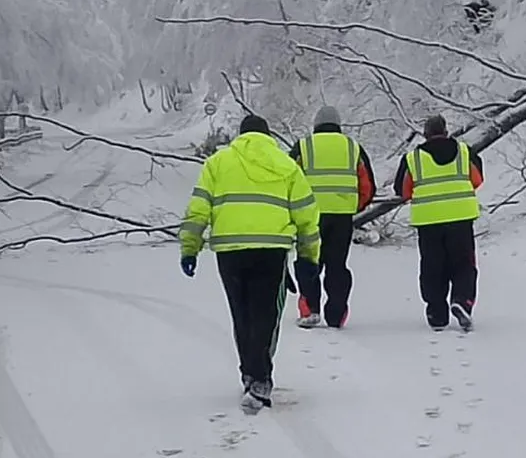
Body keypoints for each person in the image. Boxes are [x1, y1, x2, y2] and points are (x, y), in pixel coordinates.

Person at [179, 114, 321, 412]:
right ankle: (260, 377)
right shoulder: (287, 165)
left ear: (240, 136)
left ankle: (250, 372)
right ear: (268, 135)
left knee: (241, 313)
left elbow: (198, 208)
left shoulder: (218, 163)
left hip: (230, 251)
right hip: (271, 250)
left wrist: (190, 248)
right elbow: (307, 215)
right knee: (266, 314)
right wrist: (308, 256)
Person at [393, 115, 484, 332]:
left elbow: (403, 190)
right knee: (464, 265)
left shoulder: (413, 159)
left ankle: (436, 314)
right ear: (446, 131)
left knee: (433, 267)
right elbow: (477, 179)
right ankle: (462, 302)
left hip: (429, 222)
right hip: (461, 219)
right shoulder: (465, 152)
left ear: (425, 134)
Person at [288, 106, 376, 329]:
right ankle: (336, 314)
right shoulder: (352, 148)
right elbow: (367, 185)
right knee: (337, 265)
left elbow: (287, 180)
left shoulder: (304, 147)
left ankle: (310, 309)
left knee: (308, 263)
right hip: (341, 217)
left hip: (309, 216)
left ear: (316, 125)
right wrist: (354, 206)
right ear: (339, 126)